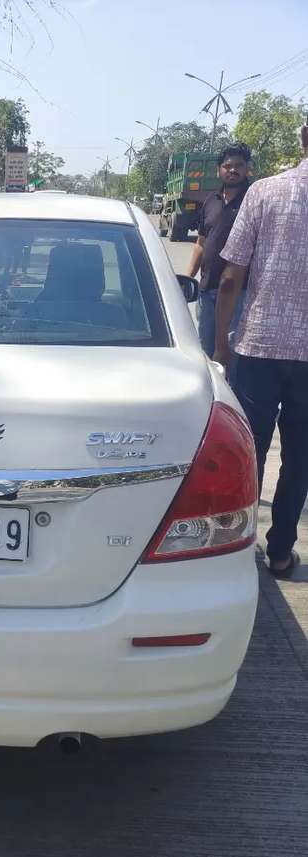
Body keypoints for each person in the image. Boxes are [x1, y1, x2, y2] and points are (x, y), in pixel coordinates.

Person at [215, 122, 308, 578]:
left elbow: (231, 277)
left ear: (303, 135)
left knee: (248, 450)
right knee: (300, 457)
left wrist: (220, 346)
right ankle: (280, 552)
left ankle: (236, 544)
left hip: (258, 345)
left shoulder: (264, 192)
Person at [185, 143, 252, 357]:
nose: (233, 170)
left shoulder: (254, 200)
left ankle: (230, 391)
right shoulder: (211, 201)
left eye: (239, 165)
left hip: (239, 293)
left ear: (247, 169)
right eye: (227, 165)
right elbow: (201, 243)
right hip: (207, 290)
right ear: (219, 170)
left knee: (232, 353)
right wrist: (186, 278)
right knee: (205, 352)